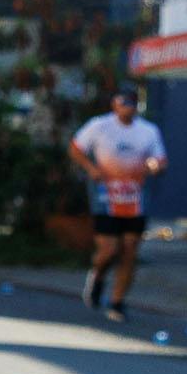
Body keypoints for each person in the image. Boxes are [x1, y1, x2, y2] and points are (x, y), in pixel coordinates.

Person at [70, 83, 167, 321]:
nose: (128, 107)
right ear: (114, 103)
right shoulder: (99, 126)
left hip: (135, 199)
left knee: (130, 250)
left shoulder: (148, 131)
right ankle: (98, 276)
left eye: (132, 103)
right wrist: (91, 168)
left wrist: (152, 167)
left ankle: (117, 301)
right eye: (123, 102)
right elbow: (75, 149)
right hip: (107, 196)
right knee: (109, 249)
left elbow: (160, 160)